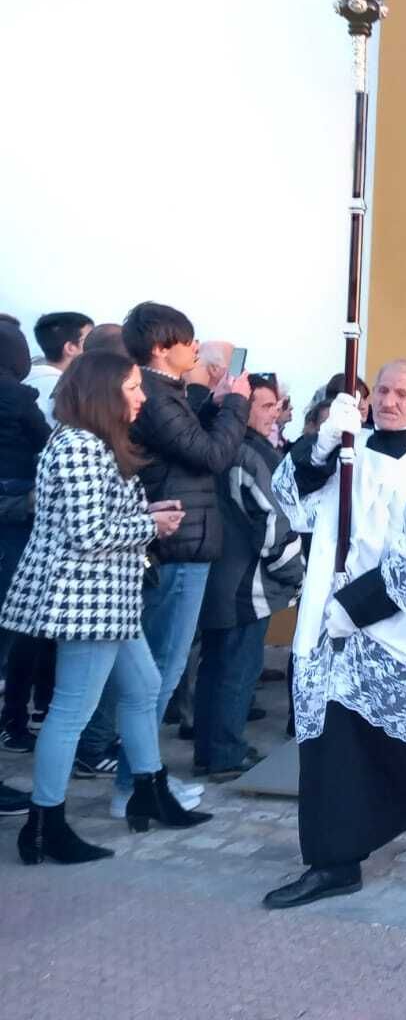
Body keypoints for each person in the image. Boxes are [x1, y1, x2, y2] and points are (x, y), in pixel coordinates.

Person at [261, 362, 406, 909]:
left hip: (398, 618)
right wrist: (320, 446)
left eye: (403, 393)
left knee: (400, 738)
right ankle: (334, 862)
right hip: (328, 613)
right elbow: (292, 497)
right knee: (330, 735)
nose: (390, 400)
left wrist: (352, 610)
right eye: (381, 390)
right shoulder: (349, 449)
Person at [2, 351, 212, 864]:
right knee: (71, 710)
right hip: (85, 600)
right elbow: (89, 532)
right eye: (133, 387)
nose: (142, 397)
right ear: (103, 392)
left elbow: (95, 515)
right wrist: (151, 525)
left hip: (107, 598)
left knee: (142, 688)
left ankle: (149, 788)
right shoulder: (77, 445)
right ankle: (45, 824)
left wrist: (145, 511)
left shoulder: (94, 443)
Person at [96, 302, 250, 816]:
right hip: (179, 543)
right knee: (161, 668)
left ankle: (142, 780)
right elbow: (209, 455)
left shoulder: (168, 396)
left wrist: (216, 404)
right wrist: (235, 406)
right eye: (187, 340)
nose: (195, 347)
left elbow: (193, 443)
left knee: (160, 668)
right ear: (163, 348)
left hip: (189, 540)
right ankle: (134, 785)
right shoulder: (159, 398)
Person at [192, 374, 305, 780]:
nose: (274, 415)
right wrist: (295, 573)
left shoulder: (220, 447)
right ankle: (224, 752)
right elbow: (273, 522)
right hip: (243, 582)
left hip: (219, 575)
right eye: (264, 406)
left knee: (215, 666)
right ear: (240, 409)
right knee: (237, 669)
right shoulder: (246, 455)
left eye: (277, 406)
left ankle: (209, 748)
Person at [0, 320, 54, 754]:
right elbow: (46, 443)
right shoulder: (17, 397)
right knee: (19, 626)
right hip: (16, 520)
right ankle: (13, 720)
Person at [22, 310, 93, 427]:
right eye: (90, 339)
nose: (96, 345)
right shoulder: (66, 391)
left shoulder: (25, 380)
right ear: (70, 348)